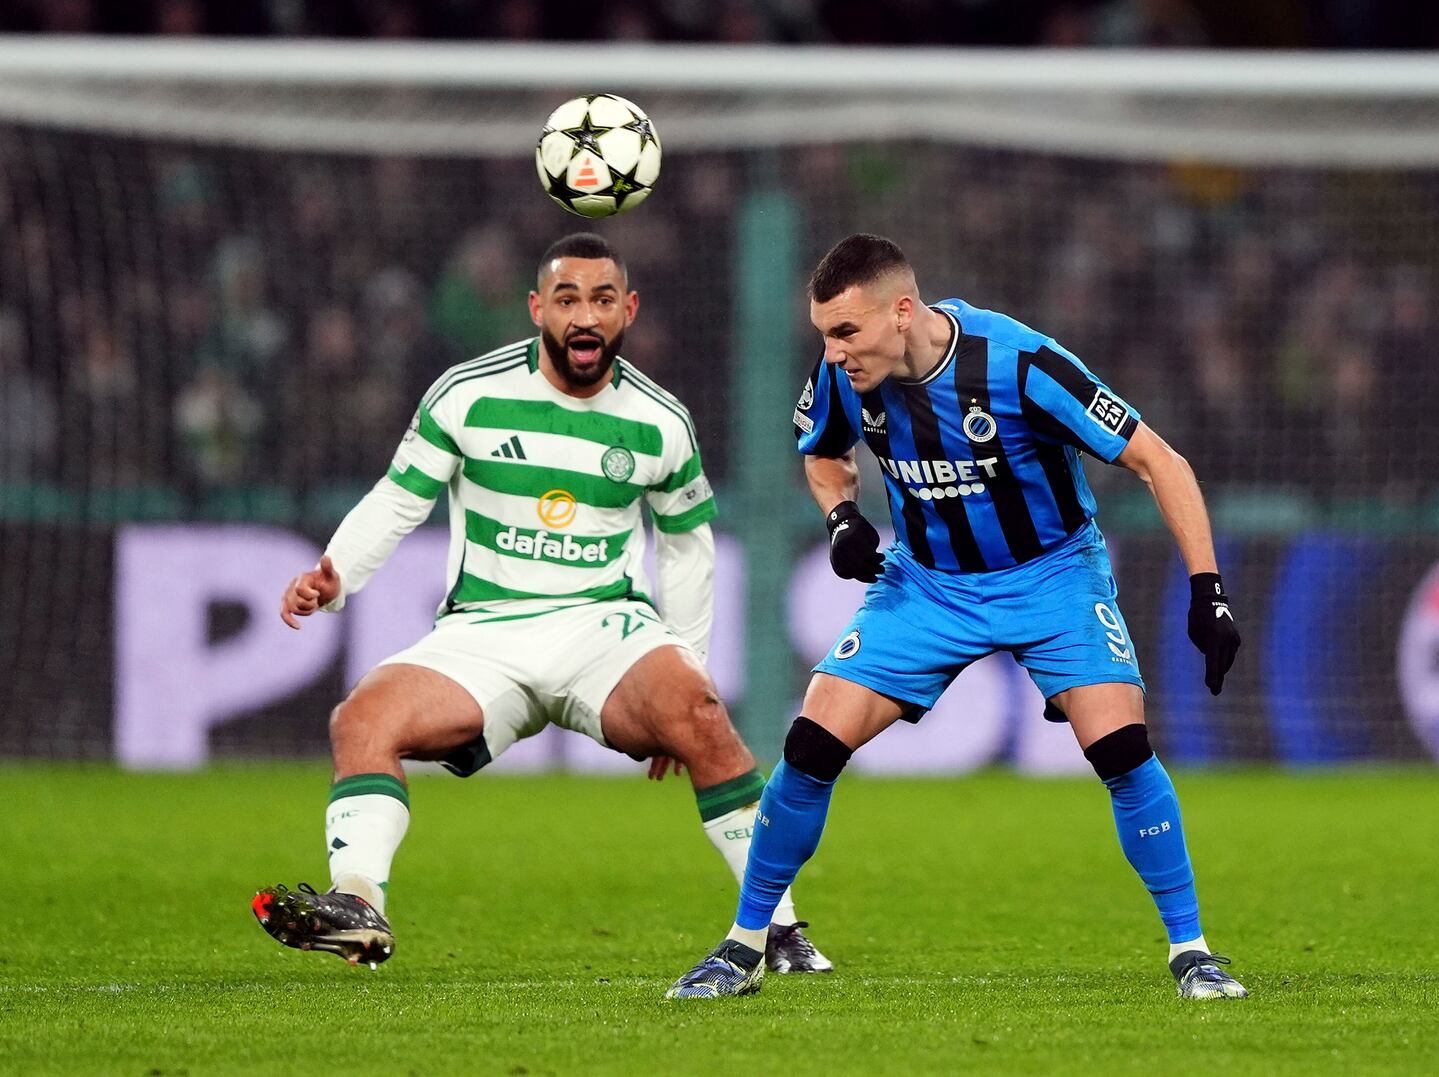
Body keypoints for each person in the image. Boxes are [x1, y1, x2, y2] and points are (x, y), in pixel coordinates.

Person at [667, 233, 1244, 1001]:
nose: (834, 353)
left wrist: (1208, 588)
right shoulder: (846, 374)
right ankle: (744, 945)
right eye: (824, 335)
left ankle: (1193, 952)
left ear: (902, 312)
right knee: (808, 743)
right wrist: (841, 515)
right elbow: (822, 453)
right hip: (929, 585)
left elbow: (1159, 460)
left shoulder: (1019, 362)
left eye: (846, 331)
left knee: (1123, 751)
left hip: (1052, 578)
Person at [252, 232, 830, 976]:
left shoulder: (661, 420)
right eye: (566, 299)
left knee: (700, 717)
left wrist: (686, 664)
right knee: (361, 719)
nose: (584, 315)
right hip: (483, 633)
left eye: (601, 299)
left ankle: (778, 930)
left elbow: (688, 547)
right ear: (536, 309)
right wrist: (336, 572)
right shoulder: (468, 393)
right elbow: (399, 497)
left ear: (629, 308)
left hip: (603, 629)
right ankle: (360, 903)